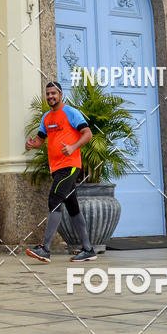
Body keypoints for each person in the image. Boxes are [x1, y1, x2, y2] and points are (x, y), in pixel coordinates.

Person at [25, 80, 96, 263]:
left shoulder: (71, 113)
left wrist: (73, 147)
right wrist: (33, 145)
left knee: (54, 200)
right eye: (48, 94)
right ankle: (88, 249)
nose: (50, 96)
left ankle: (45, 249)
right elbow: (41, 140)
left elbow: (87, 133)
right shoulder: (46, 118)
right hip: (55, 168)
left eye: (53, 93)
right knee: (73, 208)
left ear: (60, 94)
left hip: (70, 165)